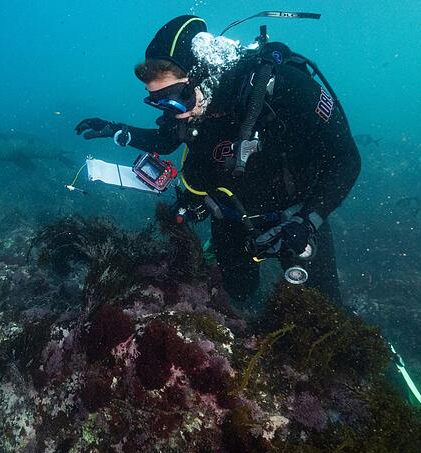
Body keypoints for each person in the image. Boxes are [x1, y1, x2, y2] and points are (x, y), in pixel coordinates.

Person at [75, 15, 360, 304]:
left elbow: (347, 161)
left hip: (295, 215)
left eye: (176, 97)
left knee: (323, 308)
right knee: (238, 293)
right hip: (230, 217)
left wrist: (308, 220)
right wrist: (117, 130)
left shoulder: (287, 87)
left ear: (203, 74)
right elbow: (167, 139)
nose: (174, 112)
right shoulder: (189, 106)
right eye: (158, 101)